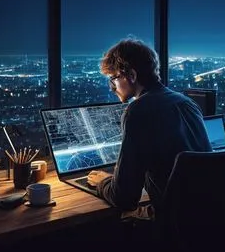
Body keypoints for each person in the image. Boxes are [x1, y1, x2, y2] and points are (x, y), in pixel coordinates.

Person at [87, 38, 212, 222]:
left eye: (113, 78)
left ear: (131, 75)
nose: (112, 87)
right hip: (207, 218)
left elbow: (124, 198)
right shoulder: (186, 102)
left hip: (172, 221)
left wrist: (103, 182)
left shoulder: (138, 111)